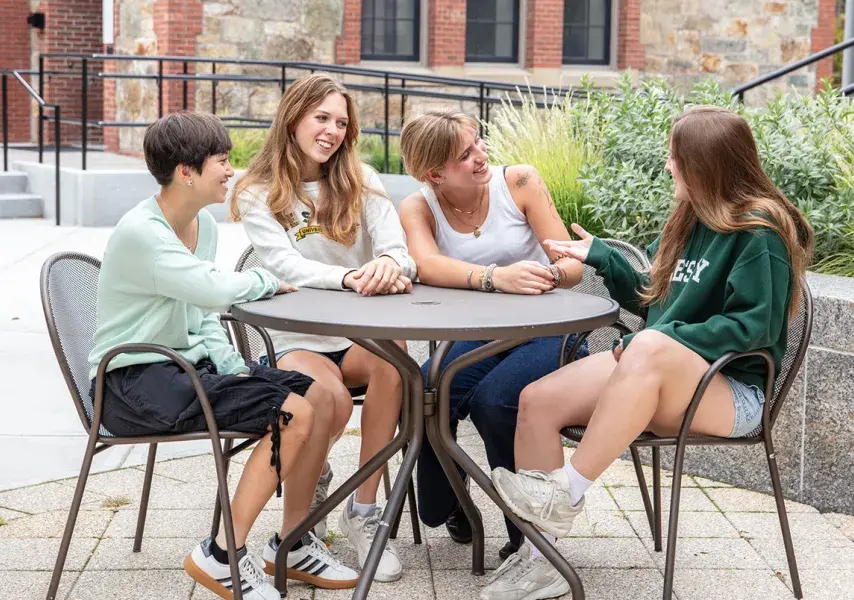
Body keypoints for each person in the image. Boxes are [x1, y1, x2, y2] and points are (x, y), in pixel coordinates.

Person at [487, 106, 815, 600]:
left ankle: (567, 491)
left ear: (705, 164)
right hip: (661, 373)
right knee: (537, 400)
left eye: (675, 157)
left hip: (733, 393)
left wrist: (659, 341)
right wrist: (602, 258)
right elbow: (656, 301)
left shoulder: (759, 232)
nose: (668, 166)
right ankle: (542, 563)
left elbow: (755, 326)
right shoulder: (688, 220)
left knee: (652, 344)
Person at [87, 112, 360, 598]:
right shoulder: (143, 233)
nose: (230, 170)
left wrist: (234, 365)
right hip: (132, 381)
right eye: (221, 160)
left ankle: (293, 542)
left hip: (186, 369)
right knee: (293, 411)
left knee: (319, 396)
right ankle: (222, 555)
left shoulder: (200, 226)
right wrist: (266, 280)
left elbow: (203, 316)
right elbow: (214, 290)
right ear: (185, 171)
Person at [231, 73, 415, 583]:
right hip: (296, 337)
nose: (332, 131)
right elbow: (284, 266)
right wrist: (354, 275)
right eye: (322, 118)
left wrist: (390, 265)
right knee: (327, 399)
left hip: (357, 338)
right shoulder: (257, 191)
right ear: (293, 118)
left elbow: (398, 248)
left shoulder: (363, 178)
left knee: (395, 360)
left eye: (341, 122)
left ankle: (362, 510)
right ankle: (297, 534)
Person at [397, 108, 585, 560]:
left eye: (478, 141)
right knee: (425, 386)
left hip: (547, 327)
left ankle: (529, 535)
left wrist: (544, 276)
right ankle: (455, 503)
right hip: (481, 334)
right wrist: (494, 277)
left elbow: (573, 265)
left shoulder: (518, 182)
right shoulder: (418, 206)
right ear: (434, 173)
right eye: (465, 154)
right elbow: (425, 264)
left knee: (497, 400)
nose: (481, 155)